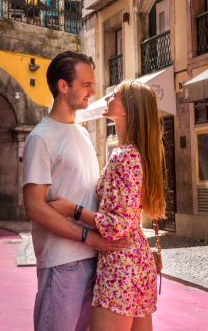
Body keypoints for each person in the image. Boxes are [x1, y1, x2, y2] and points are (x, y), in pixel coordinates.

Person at [22, 51, 131, 331]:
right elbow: (34, 207)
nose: (92, 91)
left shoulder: (82, 133)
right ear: (63, 86)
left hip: (95, 260)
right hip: (62, 264)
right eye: (85, 85)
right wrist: (88, 236)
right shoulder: (40, 138)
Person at [49, 80, 166, 331]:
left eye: (114, 96)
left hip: (119, 265)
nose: (107, 98)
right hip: (138, 260)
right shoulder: (138, 154)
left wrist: (73, 210)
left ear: (126, 110)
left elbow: (117, 225)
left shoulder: (124, 156)